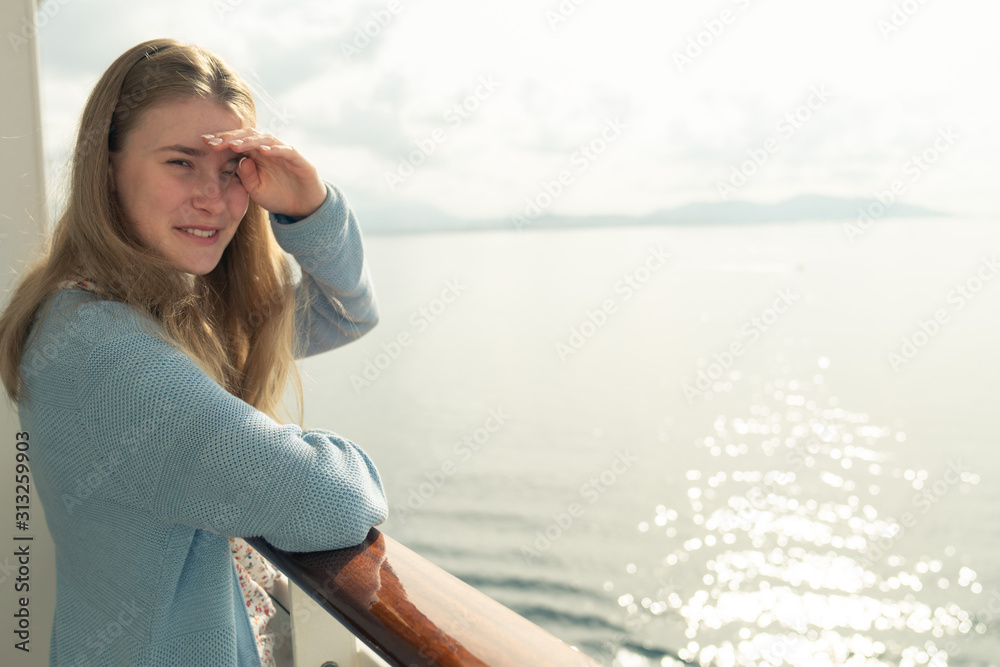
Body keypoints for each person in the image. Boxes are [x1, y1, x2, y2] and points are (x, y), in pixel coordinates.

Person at [0, 37, 388, 666]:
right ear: (106, 166)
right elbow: (332, 502)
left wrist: (311, 209)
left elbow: (349, 313)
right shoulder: (107, 355)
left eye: (233, 169)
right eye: (181, 162)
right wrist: (337, 455)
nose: (214, 197)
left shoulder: (158, 315)